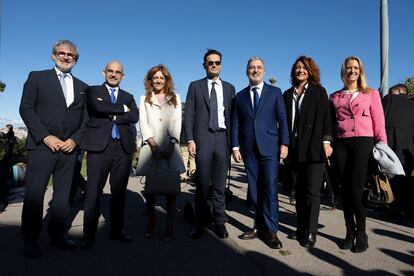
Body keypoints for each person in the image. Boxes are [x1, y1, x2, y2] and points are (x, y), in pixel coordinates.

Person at [19, 40, 88, 258]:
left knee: (62, 198)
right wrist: (45, 136)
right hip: (42, 148)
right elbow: (26, 108)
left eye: (71, 55)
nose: (66, 57)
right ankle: (30, 239)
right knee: (34, 195)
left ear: (76, 59)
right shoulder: (37, 77)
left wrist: (75, 141)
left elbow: (86, 120)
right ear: (53, 55)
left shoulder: (83, 87)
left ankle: (57, 235)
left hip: (69, 151)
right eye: (62, 53)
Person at [330, 56, 387, 253]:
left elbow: (379, 122)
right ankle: (349, 231)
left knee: (356, 189)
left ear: (360, 71)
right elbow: (331, 123)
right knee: (344, 190)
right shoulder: (335, 96)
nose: (352, 71)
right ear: (343, 71)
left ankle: (361, 232)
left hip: (363, 142)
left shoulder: (371, 94)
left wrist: (382, 145)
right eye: (348, 68)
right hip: (341, 144)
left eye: (355, 67)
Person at [232, 57, 289, 249]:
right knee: (255, 190)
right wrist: (235, 146)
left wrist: (284, 144)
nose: (255, 70)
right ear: (247, 71)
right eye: (251, 68)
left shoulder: (275, 92)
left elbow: (282, 119)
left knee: (271, 189)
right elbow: (236, 123)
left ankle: (271, 231)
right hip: (249, 149)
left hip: (270, 148)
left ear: (264, 71)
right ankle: (257, 226)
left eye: (258, 67)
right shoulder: (239, 97)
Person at [80, 61, 139, 249]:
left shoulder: (128, 96)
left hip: (123, 149)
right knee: (93, 193)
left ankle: (116, 231)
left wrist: (109, 110)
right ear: (103, 72)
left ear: (123, 76)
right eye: (110, 71)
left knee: (118, 194)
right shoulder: (93, 91)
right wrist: (121, 110)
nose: (113, 74)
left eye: (118, 72)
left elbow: (135, 116)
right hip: (99, 149)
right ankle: (89, 235)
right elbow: (96, 108)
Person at [184, 49, 236, 239]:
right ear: (204, 65)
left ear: (220, 65)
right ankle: (200, 222)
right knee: (202, 185)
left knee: (220, 186)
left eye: (216, 62)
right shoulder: (195, 86)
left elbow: (233, 118)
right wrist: (190, 139)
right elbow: (189, 114)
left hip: (223, 139)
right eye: (210, 62)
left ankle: (220, 222)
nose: (213, 65)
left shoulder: (230, 88)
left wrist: (234, 144)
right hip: (203, 139)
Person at [283, 56, 333, 248]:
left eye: (304, 68)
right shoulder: (287, 94)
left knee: (312, 191)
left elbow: (326, 118)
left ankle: (311, 231)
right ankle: (300, 227)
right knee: (300, 191)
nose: (300, 70)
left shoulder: (319, 92)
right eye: (297, 68)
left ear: (311, 71)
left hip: (314, 148)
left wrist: (327, 141)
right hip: (295, 149)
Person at [136, 65, 185, 242]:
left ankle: (169, 226)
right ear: (150, 80)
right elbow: (143, 122)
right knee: (151, 191)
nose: (158, 81)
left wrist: (172, 142)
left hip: (171, 148)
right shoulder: (144, 98)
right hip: (151, 148)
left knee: (171, 191)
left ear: (166, 80)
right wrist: (153, 145)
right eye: (155, 78)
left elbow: (178, 121)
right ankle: (151, 223)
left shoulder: (176, 98)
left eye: (161, 78)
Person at [382, 83, 414, 220]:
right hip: (409, 145)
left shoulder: (389, 98)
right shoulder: (412, 105)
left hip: (389, 141)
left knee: (392, 177)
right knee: (405, 178)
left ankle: (393, 210)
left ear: (399, 91)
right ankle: (406, 209)